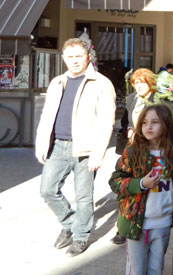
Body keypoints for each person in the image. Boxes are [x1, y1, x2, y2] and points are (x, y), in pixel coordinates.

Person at [36, 38, 116, 257]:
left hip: (86, 149)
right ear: (64, 59)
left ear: (87, 57)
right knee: (47, 190)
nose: (74, 61)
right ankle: (70, 223)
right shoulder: (57, 82)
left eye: (78, 56)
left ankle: (80, 236)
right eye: (70, 57)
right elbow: (47, 116)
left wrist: (98, 153)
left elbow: (106, 120)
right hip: (58, 146)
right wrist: (42, 142)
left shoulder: (100, 83)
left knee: (83, 197)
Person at [109, 104, 173, 275]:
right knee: (136, 270)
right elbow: (116, 181)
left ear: (166, 125)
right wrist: (140, 184)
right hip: (136, 222)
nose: (149, 127)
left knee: (156, 269)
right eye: (144, 123)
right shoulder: (132, 152)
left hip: (163, 222)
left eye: (155, 122)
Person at [112, 68, 158, 245]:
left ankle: (143, 223)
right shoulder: (132, 99)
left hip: (151, 148)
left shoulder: (158, 100)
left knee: (145, 186)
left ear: (150, 83)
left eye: (142, 82)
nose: (138, 86)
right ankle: (122, 226)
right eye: (135, 83)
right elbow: (125, 121)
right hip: (132, 149)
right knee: (128, 185)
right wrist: (129, 129)